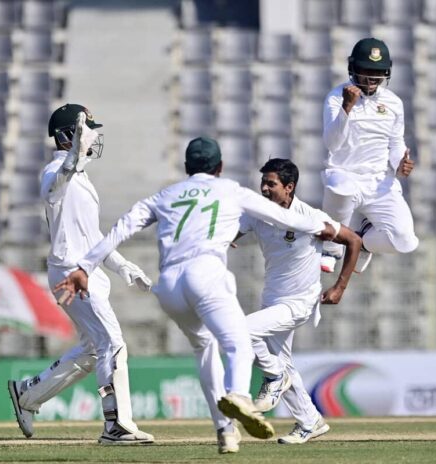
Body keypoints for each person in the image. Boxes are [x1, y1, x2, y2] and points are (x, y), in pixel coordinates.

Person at [54, 137, 339, 454]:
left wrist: (84, 266)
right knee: (238, 342)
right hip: (205, 275)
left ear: (187, 167)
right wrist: (326, 229)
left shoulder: (165, 194)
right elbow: (284, 217)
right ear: (219, 167)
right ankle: (240, 396)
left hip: (169, 286)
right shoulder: (231, 189)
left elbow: (122, 227)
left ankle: (224, 430)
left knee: (205, 348)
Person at [7, 104, 154, 444]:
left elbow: (93, 237)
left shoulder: (82, 178)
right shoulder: (55, 171)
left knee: (92, 349)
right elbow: (57, 181)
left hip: (87, 270)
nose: (95, 136)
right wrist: (75, 153)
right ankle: (116, 425)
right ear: (67, 137)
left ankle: (28, 395)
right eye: (88, 131)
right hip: (70, 273)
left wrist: (123, 267)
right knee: (112, 343)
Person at [235, 158, 361, 444]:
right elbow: (234, 231)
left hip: (299, 302)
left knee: (241, 331)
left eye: (271, 184)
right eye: (263, 183)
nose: (264, 188)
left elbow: (353, 240)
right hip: (273, 300)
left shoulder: (310, 218)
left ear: (289, 187)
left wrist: (339, 287)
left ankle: (274, 376)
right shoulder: (259, 212)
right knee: (284, 363)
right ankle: (310, 421)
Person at [319, 37, 419, 274]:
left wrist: (399, 164)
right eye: (365, 72)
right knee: (340, 187)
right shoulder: (336, 97)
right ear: (353, 69)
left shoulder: (393, 103)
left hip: (379, 182)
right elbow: (332, 143)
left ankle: (362, 240)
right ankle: (331, 248)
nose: (371, 79)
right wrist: (347, 107)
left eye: (377, 73)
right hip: (345, 173)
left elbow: (395, 143)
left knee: (405, 241)